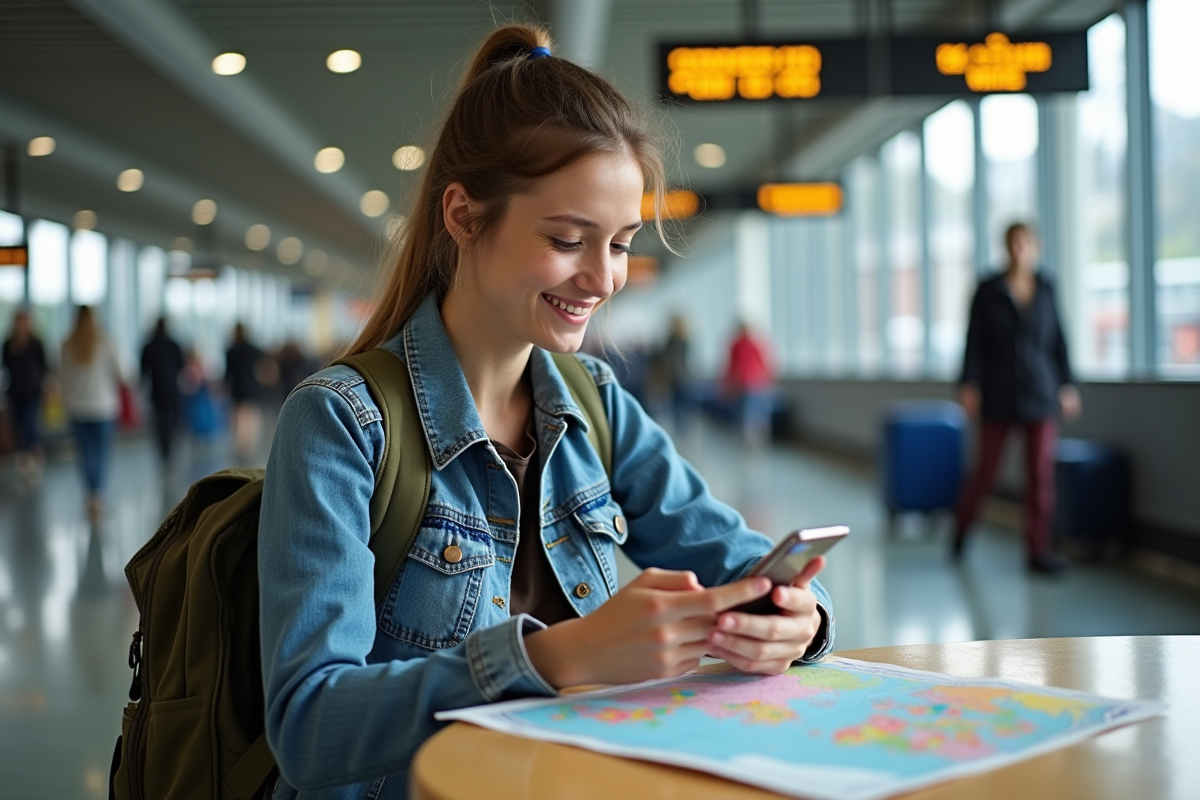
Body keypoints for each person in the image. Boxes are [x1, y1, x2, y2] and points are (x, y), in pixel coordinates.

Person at [258, 26, 834, 799]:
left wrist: (799, 620)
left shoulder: (594, 403)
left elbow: (744, 559)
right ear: (462, 216)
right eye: (568, 240)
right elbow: (308, 727)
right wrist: (559, 656)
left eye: (622, 244)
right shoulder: (341, 424)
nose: (601, 278)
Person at [954, 223, 1081, 574]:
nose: (1019, 249)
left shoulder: (1047, 287)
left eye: (1026, 242)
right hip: (998, 391)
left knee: (1040, 475)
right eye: (1013, 243)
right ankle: (961, 531)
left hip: (1040, 392)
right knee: (986, 470)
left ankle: (1038, 551)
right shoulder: (988, 288)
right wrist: (969, 384)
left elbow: (1059, 339)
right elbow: (974, 341)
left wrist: (1066, 384)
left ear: (1035, 246)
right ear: (1006, 247)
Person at [59, 306, 124, 521]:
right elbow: (122, 373)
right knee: (101, 452)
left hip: (77, 407)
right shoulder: (106, 343)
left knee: (85, 452)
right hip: (103, 406)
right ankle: (98, 494)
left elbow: (61, 376)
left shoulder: (66, 345)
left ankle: (90, 494)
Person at [2, 309, 48, 481]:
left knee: (30, 425)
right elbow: (5, 367)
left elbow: (44, 366)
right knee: (19, 427)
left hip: (32, 392)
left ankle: (34, 457)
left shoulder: (36, 343)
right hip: (14, 392)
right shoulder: (8, 344)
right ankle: (24, 460)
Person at [140, 317, 185, 465]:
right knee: (171, 421)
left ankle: (163, 452)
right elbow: (181, 366)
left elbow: (143, 370)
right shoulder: (174, 345)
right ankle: (169, 450)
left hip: (157, 389)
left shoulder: (148, 346)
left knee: (160, 422)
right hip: (172, 389)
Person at [723, 321, 776, 445]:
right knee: (753, 413)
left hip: (748, 383)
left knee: (747, 413)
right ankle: (754, 439)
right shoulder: (754, 343)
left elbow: (732, 366)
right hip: (754, 383)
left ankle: (749, 439)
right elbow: (765, 364)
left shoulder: (740, 344)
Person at [224, 323, 265, 462]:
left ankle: (241, 447)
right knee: (251, 420)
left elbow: (228, 373)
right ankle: (248, 446)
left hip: (237, 390)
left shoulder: (231, 351)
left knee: (238, 419)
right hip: (253, 389)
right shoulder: (255, 350)